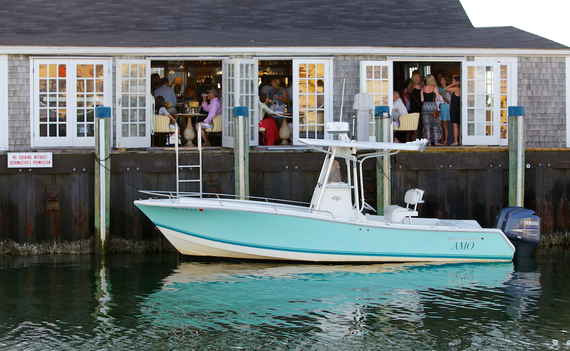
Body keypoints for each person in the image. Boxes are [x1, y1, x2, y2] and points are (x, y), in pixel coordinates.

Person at [421, 74, 442, 146]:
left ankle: (428, 142)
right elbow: (438, 99)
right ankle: (436, 141)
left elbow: (422, 99)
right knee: (435, 124)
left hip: (425, 106)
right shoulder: (435, 87)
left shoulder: (423, 88)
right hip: (433, 107)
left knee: (427, 125)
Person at [445, 75, 461, 146]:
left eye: (453, 81)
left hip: (455, 108)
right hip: (458, 107)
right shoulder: (459, 89)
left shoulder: (457, 88)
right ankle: (460, 140)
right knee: (459, 125)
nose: (451, 82)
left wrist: (453, 84)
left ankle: (456, 141)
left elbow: (445, 88)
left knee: (455, 125)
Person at [407, 70, 423, 139]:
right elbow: (422, 97)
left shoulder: (410, 85)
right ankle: (418, 137)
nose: (421, 78)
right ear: (416, 77)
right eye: (419, 77)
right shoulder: (417, 86)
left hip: (412, 106)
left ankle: (414, 137)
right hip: (418, 106)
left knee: (414, 123)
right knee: (420, 123)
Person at [438, 75, 451, 145]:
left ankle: (445, 141)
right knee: (440, 125)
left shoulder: (448, 90)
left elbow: (449, 101)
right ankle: (441, 140)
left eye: (442, 79)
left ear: (445, 80)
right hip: (440, 108)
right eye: (440, 79)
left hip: (445, 108)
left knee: (444, 125)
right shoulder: (439, 89)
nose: (441, 80)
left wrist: (443, 97)